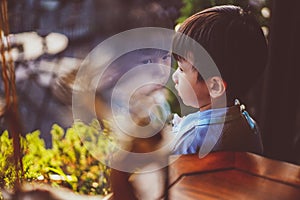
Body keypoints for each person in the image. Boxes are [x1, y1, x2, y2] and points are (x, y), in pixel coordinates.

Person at [171, 5, 268, 155]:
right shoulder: (248, 125)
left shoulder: (192, 138)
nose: (174, 77)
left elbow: (163, 171)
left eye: (182, 69)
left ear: (215, 87)